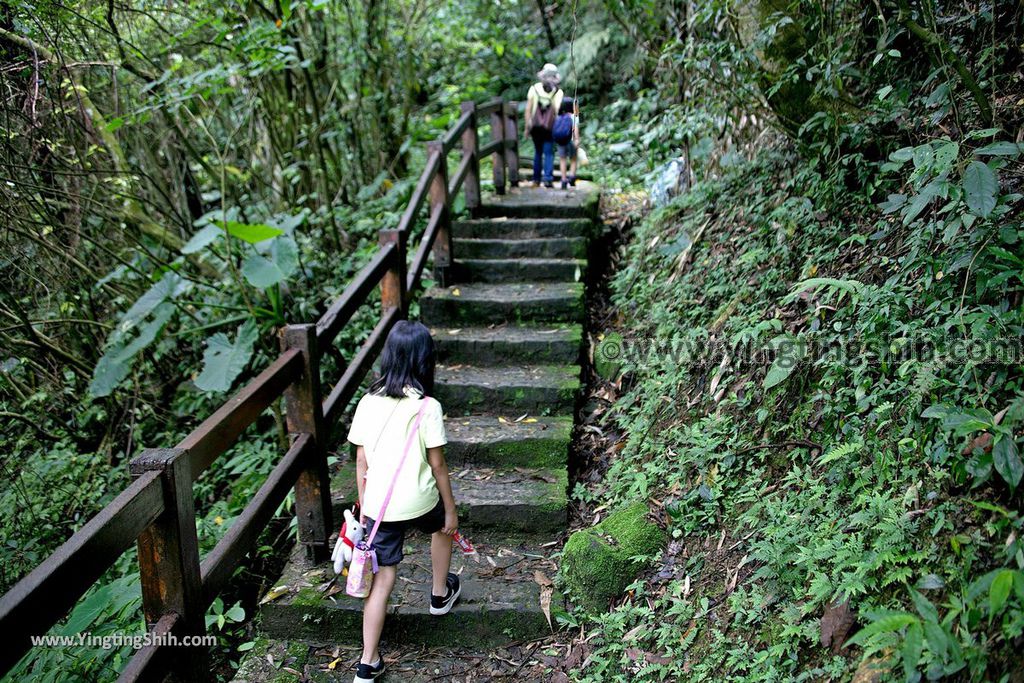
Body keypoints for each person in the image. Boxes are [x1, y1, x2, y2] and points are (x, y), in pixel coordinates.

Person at [346, 321, 459, 683]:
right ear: (426, 360)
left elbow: (361, 463)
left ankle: (367, 662)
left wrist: (366, 510)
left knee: (382, 579)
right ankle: (439, 594)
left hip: (380, 506)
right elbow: (438, 465)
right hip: (421, 499)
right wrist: (451, 511)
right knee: (441, 527)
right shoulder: (429, 406)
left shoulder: (367, 401)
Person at [524, 63, 564, 188]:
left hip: (535, 127)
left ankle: (536, 180)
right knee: (549, 153)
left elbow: (528, 109)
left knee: (537, 152)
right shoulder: (558, 92)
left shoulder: (534, 88)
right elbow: (557, 111)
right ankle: (548, 179)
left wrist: (527, 127)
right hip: (549, 127)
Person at [553, 96, 580, 189]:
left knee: (562, 159)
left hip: (561, 141)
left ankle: (563, 180)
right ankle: (572, 177)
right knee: (573, 159)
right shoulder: (573, 117)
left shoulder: (559, 117)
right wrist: (577, 139)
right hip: (571, 140)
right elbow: (575, 128)